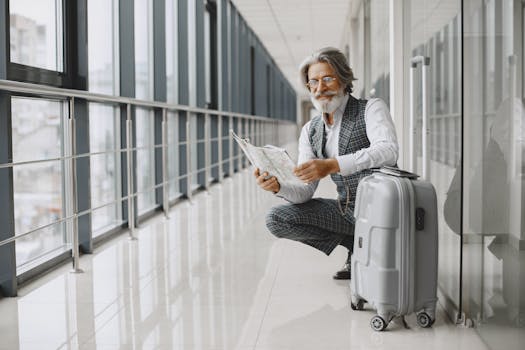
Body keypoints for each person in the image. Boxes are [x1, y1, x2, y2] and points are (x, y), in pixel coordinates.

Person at [254, 47, 399, 280]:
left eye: (328, 79)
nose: (320, 88)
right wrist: (278, 187)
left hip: (380, 209)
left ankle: (363, 245)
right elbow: (304, 192)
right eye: (313, 82)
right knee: (276, 219)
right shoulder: (310, 130)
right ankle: (355, 243)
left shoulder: (371, 108)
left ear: (343, 79)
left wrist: (333, 165)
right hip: (346, 211)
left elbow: (388, 150)